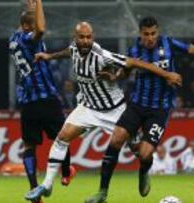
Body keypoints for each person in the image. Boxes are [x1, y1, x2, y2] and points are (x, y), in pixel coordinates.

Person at [86, 16, 194, 203]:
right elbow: (125, 72)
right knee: (116, 140)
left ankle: (143, 172)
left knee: (144, 154)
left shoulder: (168, 44)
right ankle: (102, 193)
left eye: (153, 33)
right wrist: (114, 77)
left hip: (160, 109)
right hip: (136, 105)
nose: (150, 38)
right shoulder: (134, 50)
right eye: (146, 34)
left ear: (157, 32)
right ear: (140, 34)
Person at [25, 21, 182, 202]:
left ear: (93, 38)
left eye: (88, 37)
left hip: (113, 109)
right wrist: (49, 56)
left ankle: (145, 170)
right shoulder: (74, 49)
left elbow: (135, 62)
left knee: (141, 152)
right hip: (88, 107)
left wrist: (167, 74)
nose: (85, 41)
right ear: (74, 38)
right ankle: (46, 185)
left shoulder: (101, 55)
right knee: (62, 137)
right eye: (81, 37)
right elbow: (68, 52)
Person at [9, 1, 74, 202]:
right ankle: (65, 173)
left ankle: (34, 189)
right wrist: (39, 4)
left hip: (27, 101)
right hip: (45, 97)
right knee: (62, 138)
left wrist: (33, 10)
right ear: (28, 27)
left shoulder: (13, 39)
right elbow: (41, 29)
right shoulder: (30, 39)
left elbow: (32, 24)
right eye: (33, 23)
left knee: (29, 146)